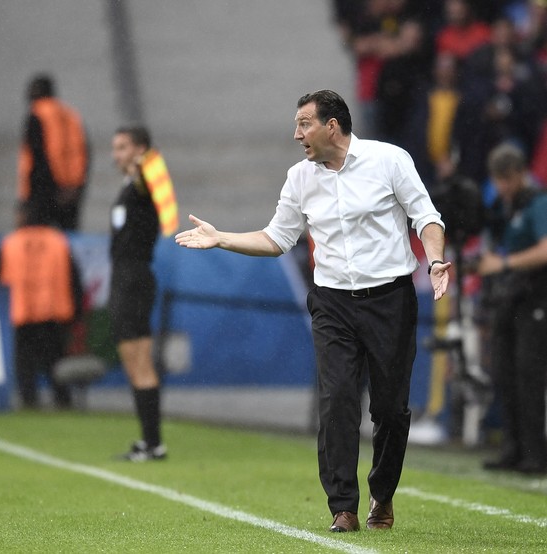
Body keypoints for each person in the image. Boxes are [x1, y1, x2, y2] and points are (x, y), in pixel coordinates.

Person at [175, 90, 449, 532]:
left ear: (332, 126)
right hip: (333, 302)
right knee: (337, 400)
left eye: (304, 124)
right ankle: (343, 506)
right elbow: (277, 238)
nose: (296, 134)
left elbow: (426, 217)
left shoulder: (390, 160)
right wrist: (221, 237)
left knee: (391, 409)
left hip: (390, 299)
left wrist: (435, 260)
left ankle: (383, 494)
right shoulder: (299, 178)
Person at [478, 143, 547, 475]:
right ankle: (512, 448)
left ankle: (535, 454)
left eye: (508, 178)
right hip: (510, 298)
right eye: (498, 179)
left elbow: (546, 250)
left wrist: (503, 264)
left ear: (521, 174)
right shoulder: (501, 206)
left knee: (529, 374)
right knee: (504, 373)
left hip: (536, 298)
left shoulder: (537, 203)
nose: (503, 185)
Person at [0, 203, 83, 409]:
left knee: (25, 363)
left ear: (23, 216)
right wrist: (76, 312)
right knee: (54, 361)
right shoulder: (58, 241)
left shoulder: (10, 243)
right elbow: (75, 279)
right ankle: (63, 401)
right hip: (52, 313)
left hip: (22, 312)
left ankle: (29, 401)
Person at [109, 125, 168, 462]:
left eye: (123, 147)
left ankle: (153, 443)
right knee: (133, 363)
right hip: (124, 278)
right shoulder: (128, 186)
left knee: (141, 362)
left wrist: (143, 163)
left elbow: (148, 178)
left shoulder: (143, 182)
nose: (116, 154)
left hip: (134, 278)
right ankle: (149, 441)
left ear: (141, 150)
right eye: (115, 148)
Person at [17, 73, 89, 230]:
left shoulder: (36, 116)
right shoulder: (71, 115)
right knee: (67, 239)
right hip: (71, 192)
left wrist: (28, 198)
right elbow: (83, 152)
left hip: (43, 192)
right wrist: (75, 187)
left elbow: (37, 157)